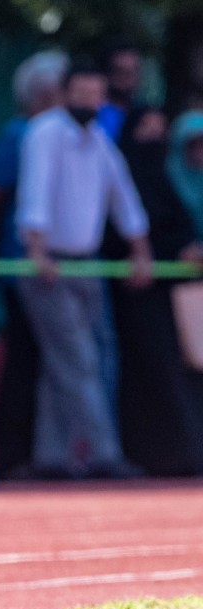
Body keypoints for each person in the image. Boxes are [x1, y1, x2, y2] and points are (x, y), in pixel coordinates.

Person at [15, 58, 150, 480]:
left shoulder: (98, 140)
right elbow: (35, 190)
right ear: (64, 92)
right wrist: (37, 250)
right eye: (81, 93)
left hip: (85, 264)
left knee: (73, 362)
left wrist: (139, 248)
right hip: (50, 263)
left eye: (96, 95)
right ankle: (104, 453)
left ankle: (51, 456)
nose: (89, 102)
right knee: (78, 359)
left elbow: (123, 196)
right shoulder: (46, 133)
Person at [0, 49, 66, 476]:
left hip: (61, 266)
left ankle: (49, 455)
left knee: (53, 363)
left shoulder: (68, 133)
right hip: (25, 267)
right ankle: (14, 458)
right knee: (24, 362)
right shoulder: (21, 134)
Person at [105, 108, 203, 476]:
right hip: (143, 299)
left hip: (188, 298)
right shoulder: (133, 177)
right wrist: (177, 252)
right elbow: (123, 234)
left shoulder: (170, 181)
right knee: (154, 377)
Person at [97, 44, 143, 142]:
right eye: (121, 71)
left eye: (133, 71)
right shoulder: (94, 114)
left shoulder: (144, 115)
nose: (128, 78)